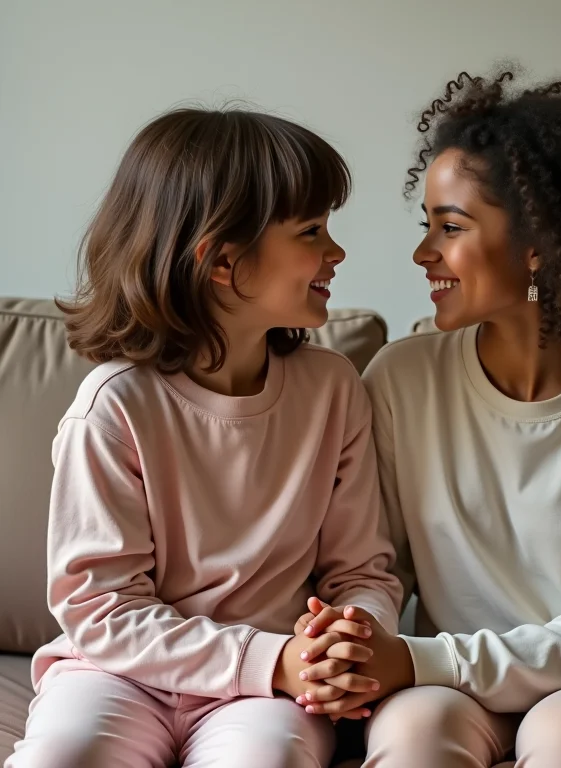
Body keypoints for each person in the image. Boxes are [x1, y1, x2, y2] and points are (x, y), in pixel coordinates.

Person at [295, 66, 561, 767]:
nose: (423, 253)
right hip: (452, 684)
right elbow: (372, 566)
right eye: (425, 224)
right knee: (415, 733)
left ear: (537, 246)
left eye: (450, 227)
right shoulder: (402, 377)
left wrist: (418, 661)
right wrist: (349, 643)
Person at [6, 107, 402, 768]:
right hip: (119, 674)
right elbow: (101, 608)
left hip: (267, 694)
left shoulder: (334, 389)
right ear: (222, 261)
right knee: (64, 756)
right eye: (312, 230)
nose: (335, 252)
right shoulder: (115, 405)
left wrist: (350, 637)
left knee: (267, 760)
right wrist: (273, 658)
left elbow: (362, 571)